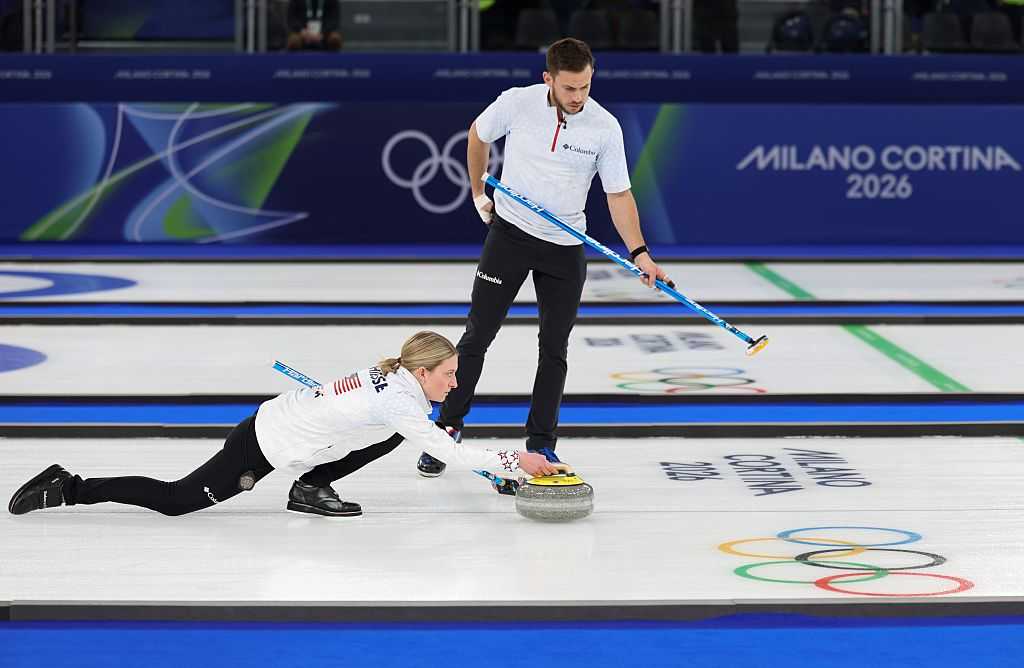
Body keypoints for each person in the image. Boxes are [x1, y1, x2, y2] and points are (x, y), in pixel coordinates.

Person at [416, 37, 670, 478]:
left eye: (586, 87)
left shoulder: (605, 127)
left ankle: (541, 445)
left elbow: (619, 194)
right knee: (477, 336)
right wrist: (478, 193)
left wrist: (641, 253)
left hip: (565, 247)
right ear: (548, 79)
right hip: (509, 235)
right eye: (570, 88)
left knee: (554, 348)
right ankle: (448, 426)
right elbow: (477, 134)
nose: (578, 97)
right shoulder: (518, 103)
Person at [8, 332, 566, 518]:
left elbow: (414, 431)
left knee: (400, 433)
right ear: (421, 371)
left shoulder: (394, 383)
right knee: (178, 501)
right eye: (448, 374)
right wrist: (519, 461)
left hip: (284, 422)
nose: (455, 383)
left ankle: (311, 484)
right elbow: (453, 453)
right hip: (263, 443)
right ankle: (69, 487)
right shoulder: (401, 402)